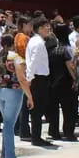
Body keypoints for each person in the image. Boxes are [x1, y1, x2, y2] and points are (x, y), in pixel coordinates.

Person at [0, 34, 33, 158]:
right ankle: (10, 156)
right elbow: (21, 79)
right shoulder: (16, 58)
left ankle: (5, 154)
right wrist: (30, 96)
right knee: (9, 124)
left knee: (7, 123)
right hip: (13, 91)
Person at [25, 17, 52, 146]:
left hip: (37, 77)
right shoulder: (38, 43)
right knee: (37, 109)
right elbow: (33, 61)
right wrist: (29, 78)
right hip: (38, 78)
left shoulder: (34, 41)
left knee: (38, 109)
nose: (48, 28)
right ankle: (36, 137)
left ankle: (36, 136)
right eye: (46, 26)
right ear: (39, 28)